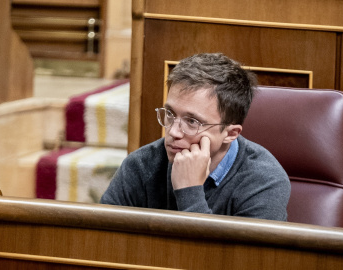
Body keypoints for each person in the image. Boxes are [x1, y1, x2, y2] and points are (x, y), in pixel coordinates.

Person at [100, 53, 290, 221]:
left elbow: (239, 261)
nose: (173, 132)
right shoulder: (142, 165)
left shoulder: (265, 182)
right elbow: (102, 240)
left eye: (192, 122)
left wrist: (189, 192)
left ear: (230, 134)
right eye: (170, 114)